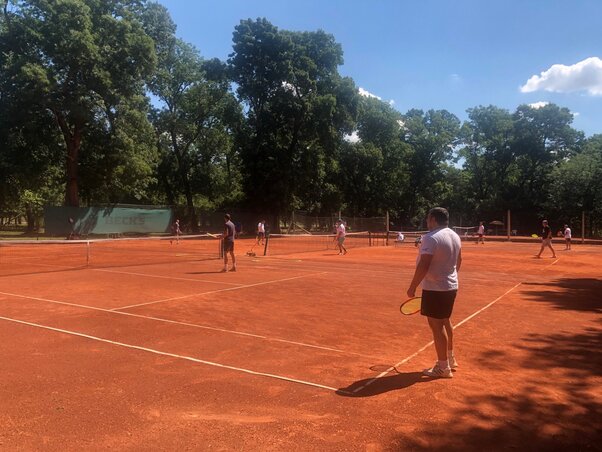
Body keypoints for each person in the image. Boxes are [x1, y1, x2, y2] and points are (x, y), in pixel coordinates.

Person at [407, 207, 462, 378]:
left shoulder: (430, 238)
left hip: (435, 288)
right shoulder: (455, 235)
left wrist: (412, 286)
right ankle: (451, 359)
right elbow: (459, 261)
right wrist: (448, 276)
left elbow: (424, 265)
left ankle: (443, 367)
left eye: (427, 218)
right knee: (445, 321)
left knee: (436, 327)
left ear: (433, 219)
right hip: (450, 286)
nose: (426, 221)